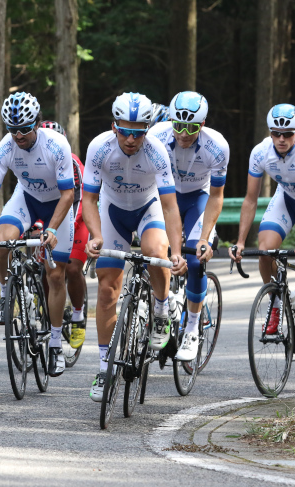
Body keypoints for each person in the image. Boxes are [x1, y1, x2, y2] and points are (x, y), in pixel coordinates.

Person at [82, 92, 187, 402]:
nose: (130, 138)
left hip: (148, 209)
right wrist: (96, 235)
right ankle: (104, 368)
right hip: (112, 211)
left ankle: (160, 309)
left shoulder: (156, 152)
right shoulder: (99, 148)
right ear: (114, 127)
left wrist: (177, 251)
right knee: (106, 290)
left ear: (147, 129)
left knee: (156, 253)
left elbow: (169, 207)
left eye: (138, 132)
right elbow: (88, 199)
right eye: (124, 130)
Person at [0, 93, 75, 378]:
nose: (18, 135)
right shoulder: (4, 148)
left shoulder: (56, 144)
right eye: (12, 129)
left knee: (56, 275)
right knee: (2, 243)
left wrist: (51, 229)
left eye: (24, 128)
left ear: (37, 124)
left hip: (58, 205)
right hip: (26, 198)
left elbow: (68, 193)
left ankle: (56, 344)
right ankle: (5, 294)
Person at [229, 104, 295, 370]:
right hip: (286, 200)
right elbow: (251, 200)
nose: (282, 139)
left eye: (288, 133)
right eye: (277, 133)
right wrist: (240, 241)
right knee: (265, 251)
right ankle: (276, 301)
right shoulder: (260, 153)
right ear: (271, 133)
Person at [148, 91, 229, 361]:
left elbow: (216, 196)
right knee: (153, 254)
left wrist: (205, 237)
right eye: (178, 125)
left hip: (198, 198)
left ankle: (193, 329)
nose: (183, 133)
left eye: (191, 127)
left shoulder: (217, 146)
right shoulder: (156, 136)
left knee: (194, 261)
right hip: (164, 196)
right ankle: (161, 308)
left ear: (202, 124)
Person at [39, 120, 88, 349]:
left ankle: (78, 315)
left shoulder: (73, 162)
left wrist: (61, 226)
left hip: (78, 218)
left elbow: (80, 200)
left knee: (72, 267)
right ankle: (48, 312)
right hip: (51, 220)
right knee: (48, 271)